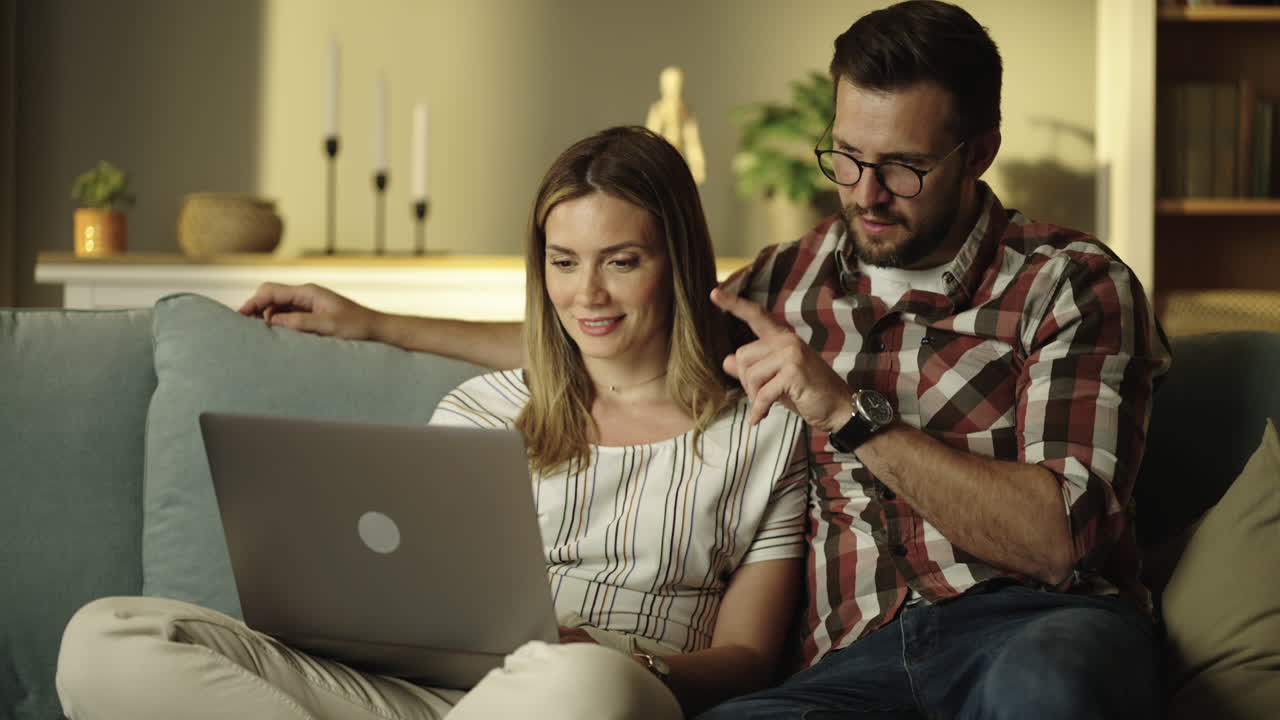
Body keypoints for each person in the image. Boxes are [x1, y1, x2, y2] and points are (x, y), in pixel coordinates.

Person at [238, 3, 1172, 717]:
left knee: (1052, 686)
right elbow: (613, 333)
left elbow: (1057, 539)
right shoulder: (788, 278)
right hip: (852, 661)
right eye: (844, 157)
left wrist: (846, 415)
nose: (865, 192)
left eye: (902, 167)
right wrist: (378, 324)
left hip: (1035, 626)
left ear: (980, 154)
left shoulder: (1070, 285)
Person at [55, 126, 809, 720]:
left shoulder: (763, 433)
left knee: (582, 687)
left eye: (620, 261)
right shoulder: (481, 409)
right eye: (563, 262)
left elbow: (747, 658)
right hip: (417, 697)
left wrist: (617, 660)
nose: (588, 296)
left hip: (598, 691)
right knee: (107, 641)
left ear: (674, 262)